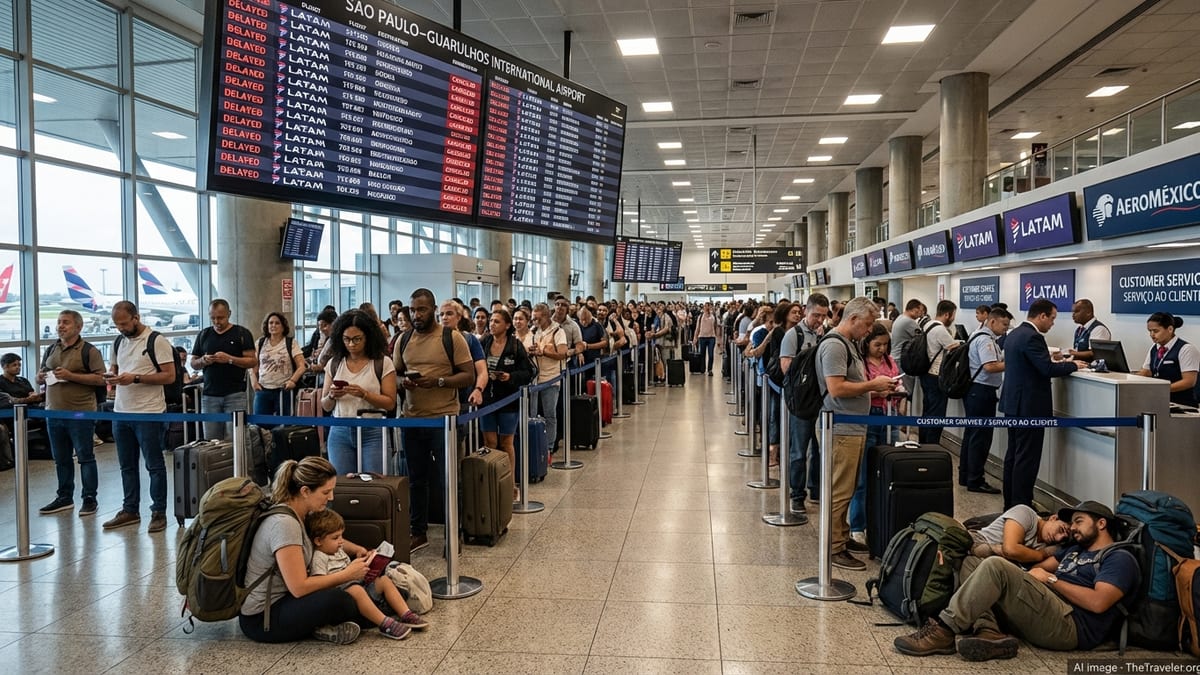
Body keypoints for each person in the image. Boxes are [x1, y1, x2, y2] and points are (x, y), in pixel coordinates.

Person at [894, 500, 1138, 662]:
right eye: (1071, 523)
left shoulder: (1118, 558)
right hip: (1046, 606)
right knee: (972, 564)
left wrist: (1051, 580)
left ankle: (944, 631)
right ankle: (989, 631)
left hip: (1069, 625)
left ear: (1102, 523)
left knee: (995, 566)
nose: (1072, 528)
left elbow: (1099, 603)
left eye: (1078, 521)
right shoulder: (1073, 551)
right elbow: (1035, 569)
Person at [239, 457, 366, 645]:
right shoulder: (285, 524)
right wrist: (347, 574)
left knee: (354, 594)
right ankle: (378, 611)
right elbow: (299, 587)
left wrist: (358, 550)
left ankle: (337, 622)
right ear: (305, 491)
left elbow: (324, 538)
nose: (330, 498)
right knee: (342, 600)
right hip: (263, 619)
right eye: (326, 492)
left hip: (285, 602)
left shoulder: (301, 513)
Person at [816, 297, 897, 570]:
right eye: (868, 323)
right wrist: (872, 384)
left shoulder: (849, 345)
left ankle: (841, 535)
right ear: (852, 319)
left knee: (848, 486)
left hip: (852, 425)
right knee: (840, 489)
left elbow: (852, 385)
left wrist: (875, 390)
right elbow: (837, 388)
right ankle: (834, 547)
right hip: (840, 427)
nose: (870, 329)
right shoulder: (834, 346)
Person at [393, 288, 474, 553]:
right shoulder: (403, 340)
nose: (416, 315)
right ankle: (419, 531)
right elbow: (394, 375)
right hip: (413, 420)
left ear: (433, 309)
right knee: (416, 479)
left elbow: (468, 375)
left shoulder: (452, 338)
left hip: (444, 420)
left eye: (422, 309)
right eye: (413, 310)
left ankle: (454, 532)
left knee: (448, 479)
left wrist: (438, 381)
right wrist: (403, 383)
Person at [1000, 299, 1086, 509]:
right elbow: (1046, 370)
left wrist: (1050, 358)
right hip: (1029, 408)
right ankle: (1022, 507)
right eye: (1052, 318)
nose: (1053, 324)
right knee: (1026, 459)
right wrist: (1073, 364)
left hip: (1014, 405)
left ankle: (1011, 504)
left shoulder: (1014, 334)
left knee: (1013, 455)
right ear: (1042, 316)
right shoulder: (1033, 337)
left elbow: (1029, 364)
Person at [305, 508, 430, 640]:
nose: (341, 541)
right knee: (356, 589)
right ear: (318, 541)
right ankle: (384, 623)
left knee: (384, 581)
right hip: (345, 592)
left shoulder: (338, 550)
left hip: (359, 583)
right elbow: (320, 584)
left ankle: (406, 614)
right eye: (335, 538)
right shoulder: (319, 557)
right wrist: (347, 575)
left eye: (341, 536)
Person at [104, 301, 174, 533]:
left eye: (124, 323)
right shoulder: (118, 341)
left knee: (154, 464)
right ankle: (130, 509)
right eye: (117, 325)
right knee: (126, 466)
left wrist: (135, 378)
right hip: (121, 411)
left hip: (149, 412)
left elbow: (169, 376)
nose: (121, 328)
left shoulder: (156, 341)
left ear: (136, 317)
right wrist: (111, 379)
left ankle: (158, 511)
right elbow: (114, 369)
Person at [35, 309, 107, 517]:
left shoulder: (89, 351)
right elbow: (41, 375)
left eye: (65, 322)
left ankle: (89, 497)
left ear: (78, 326)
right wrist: (41, 377)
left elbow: (101, 379)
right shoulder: (51, 349)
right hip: (53, 413)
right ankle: (64, 496)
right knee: (61, 458)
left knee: (85, 456)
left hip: (80, 413)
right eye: (58, 322)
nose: (60, 326)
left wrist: (70, 376)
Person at [320, 310, 397, 476]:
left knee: (375, 483)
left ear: (368, 337)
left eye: (357, 339)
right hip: (340, 429)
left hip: (373, 429)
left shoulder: (383, 363)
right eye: (346, 339)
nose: (351, 344)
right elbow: (325, 405)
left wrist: (364, 394)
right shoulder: (334, 363)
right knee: (342, 485)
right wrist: (332, 396)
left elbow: (390, 402)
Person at [848, 322, 903, 549]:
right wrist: (875, 390)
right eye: (877, 344)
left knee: (888, 472)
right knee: (862, 477)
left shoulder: (890, 362)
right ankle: (857, 527)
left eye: (885, 345)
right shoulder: (861, 364)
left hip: (890, 416)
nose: (881, 349)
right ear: (867, 344)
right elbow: (857, 390)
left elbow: (899, 382)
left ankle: (881, 523)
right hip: (870, 416)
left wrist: (896, 391)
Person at [781, 293, 829, 512]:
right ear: (806, 311)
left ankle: (816, 488)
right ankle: (797, 494)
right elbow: (786, 368)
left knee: (819, 449)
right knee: (799, 450)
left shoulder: (825, 336)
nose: (819, 320)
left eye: (823, 316)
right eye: (816, 315)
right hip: (801, 403)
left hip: (821, 401)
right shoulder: (794, 335)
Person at [479, 308, 534, 500]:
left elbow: (528, 372)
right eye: (491, 321)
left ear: (507, 325)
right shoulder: (483, 343)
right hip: (487, 400)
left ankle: (510, 484)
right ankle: (491, 480)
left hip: (508, 399)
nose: (492, 324)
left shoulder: (515, 346)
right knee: (489, 442)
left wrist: (510, 376)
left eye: (496, 322)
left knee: (506, 442)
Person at [959, 307, 1012, 493]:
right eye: (1004, 324)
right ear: (992, 321)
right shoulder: (985, 339)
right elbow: (990, 366)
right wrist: (1013, 364)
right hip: (981, 392)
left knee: (972, 435)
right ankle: (975, 480)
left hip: (976, 391)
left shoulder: (979, 335)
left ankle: (966, 475)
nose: (1006, 329)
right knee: (980, 438)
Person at [190, 299, 256, 440]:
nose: (216, 322)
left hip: (235, 394)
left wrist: (230, 359)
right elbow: (193, 363)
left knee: (237, 438)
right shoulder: (204, 335)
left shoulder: (241, 333)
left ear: (229, 314)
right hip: (209, 395)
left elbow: (252, 361)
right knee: (211, 440)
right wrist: (203, 361)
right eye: (212, 318)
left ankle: (241, 463)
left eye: (220, 318)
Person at [251, 312, 307, 427]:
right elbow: (253, 364)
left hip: (283, 390)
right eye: (271, 323)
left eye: (277, 323)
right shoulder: (260, 342)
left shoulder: (291, 343)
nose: (273, 325)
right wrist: (254, 381)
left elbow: (302, 366)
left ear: (283, 326)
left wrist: (293, 381)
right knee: (260, 423)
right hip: (263, 389)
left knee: (284, 424)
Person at [967, 504, 1070, 565]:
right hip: (976, 543)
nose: (1058, 538)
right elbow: (1010, 550)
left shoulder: (1049, 545)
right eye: (1061, 530)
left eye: (1064, 539)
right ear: (1053, 518)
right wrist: (1042, 554)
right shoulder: (1025, 513)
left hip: (993, 564)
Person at [919, 300, 961, 445]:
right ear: (947, 314)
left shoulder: (927, 325)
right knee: (937, 415)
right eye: (953, 315)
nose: (953, 319)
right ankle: (932, 448)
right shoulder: (940, 330)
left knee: (927, 412)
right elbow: (955, 350)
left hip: (925, 374)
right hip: (936, 377)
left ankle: (923, 444)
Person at [1136, 311, 1198, 407]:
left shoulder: (1186, 349)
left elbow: (1189, 381)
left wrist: (1162, 389)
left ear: (1170, 329)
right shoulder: (1154, 348)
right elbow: (1146, 372)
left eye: (1156, 331)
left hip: (1183, 405)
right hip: (1161, 401)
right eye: (1150, 331)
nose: (1152, 335)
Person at [530, 302, 568, 454]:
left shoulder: (558, 331)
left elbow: (562, 353)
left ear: (545, 317)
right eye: (533, 319)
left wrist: (544, 352)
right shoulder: (534, 331)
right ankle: (534, 445)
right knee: (532, 415)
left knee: (549, 413)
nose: (534, 322)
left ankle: (549, 448)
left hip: (551, 378)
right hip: (535, 379)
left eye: (537, 319)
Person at [692, 302, 720, 375]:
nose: (707, 308)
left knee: (711, 354)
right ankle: (702, 369)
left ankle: (710, 369)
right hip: (702, 337)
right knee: (702, 354)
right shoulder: (700, 316)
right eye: (706, 306)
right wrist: (695, 338)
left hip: (711, 337)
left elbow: (716, 327)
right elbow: (697, 328)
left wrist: (719, 339)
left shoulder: (713, 316)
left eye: (709, 307)